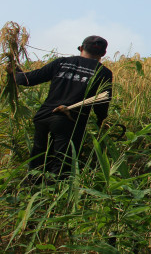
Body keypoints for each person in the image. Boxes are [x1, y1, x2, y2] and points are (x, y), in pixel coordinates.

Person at [11, 36, 113, 180]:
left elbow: (27, 80)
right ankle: (53, 194)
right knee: (62, 163)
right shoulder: (103, 72)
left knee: (38, 158)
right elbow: (103, 100)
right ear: (103, 54)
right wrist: (101, 120)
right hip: (70, 121)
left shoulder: (62, 63)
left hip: (44, 116)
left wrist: (14, 68)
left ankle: (31, 188)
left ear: (81, 48)